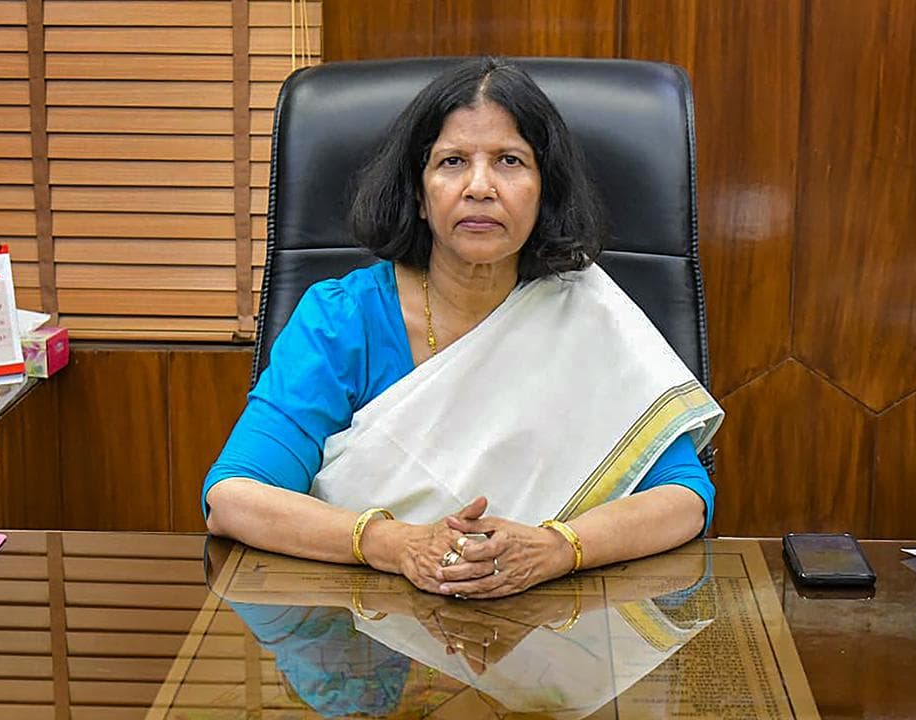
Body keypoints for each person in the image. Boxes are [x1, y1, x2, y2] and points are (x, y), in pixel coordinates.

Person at [204, 56, 724, 599]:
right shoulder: (342, 321)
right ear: (419, 194)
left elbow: (685, 500)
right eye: (452, 162)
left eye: (509, 161)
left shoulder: (589, 318)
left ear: (544, 191)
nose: (480, 186)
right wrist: (397, 544)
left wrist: (556, 548)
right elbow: (234, 498)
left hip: (551, 623)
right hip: (363, 619)